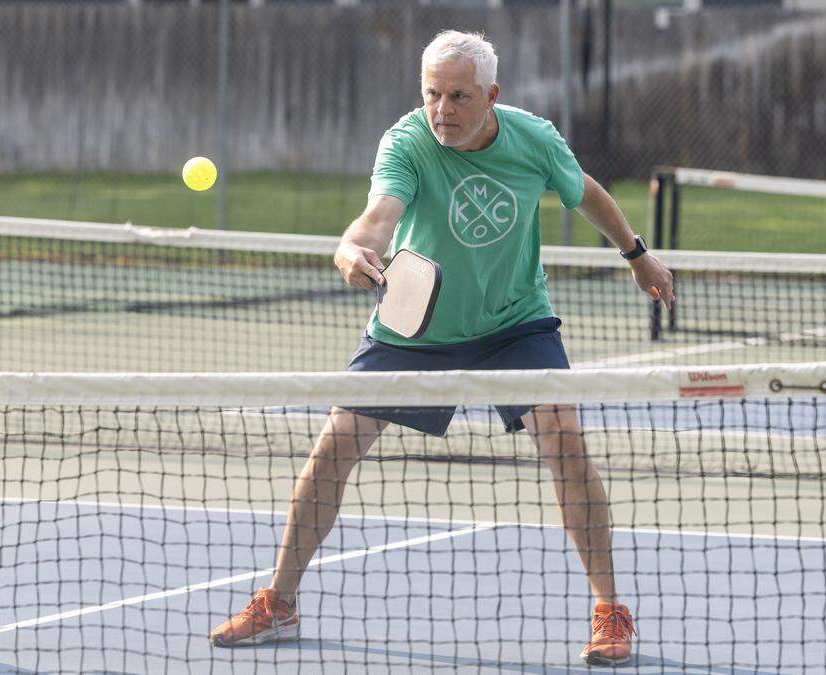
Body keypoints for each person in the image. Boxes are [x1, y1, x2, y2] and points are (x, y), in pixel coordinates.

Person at [210, 29, 673, 667]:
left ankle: (609, 611)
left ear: (491, 95)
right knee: (332, 449)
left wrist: (637, 254)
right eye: (432, 93)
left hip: (515, 323)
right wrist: (350, 248)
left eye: (458, 95)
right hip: (414, 325)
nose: (443, 110)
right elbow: (376, 217)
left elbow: (585, 189)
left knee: (564, 441)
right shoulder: (408, 142)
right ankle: (280, 601)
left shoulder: (533, 139)